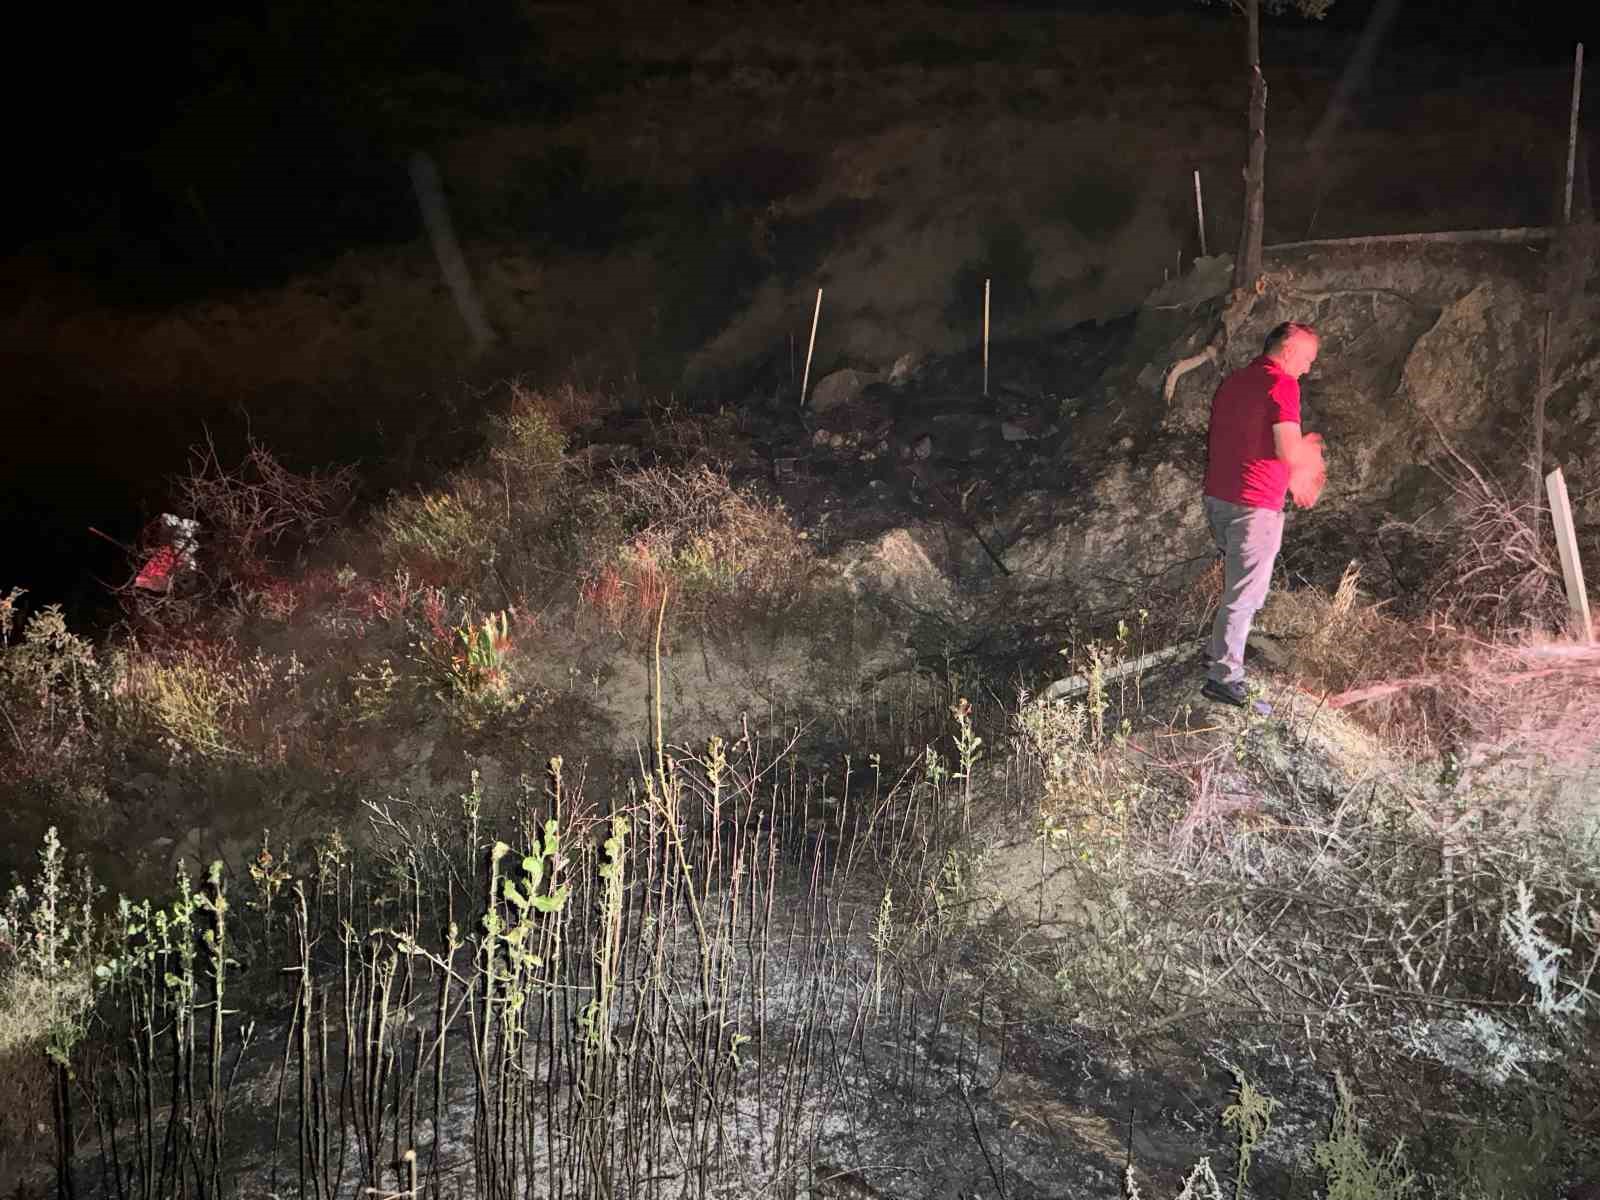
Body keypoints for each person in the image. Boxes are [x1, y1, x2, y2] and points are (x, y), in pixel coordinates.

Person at [1200, 321, 1325, 715]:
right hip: (1255, 506)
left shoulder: (1234, 381)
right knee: (1246, 595)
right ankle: (1224, 679)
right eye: (1306, 358)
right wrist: (1309, 460)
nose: (1307, 367)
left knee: (1238, 588)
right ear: (1288, 351)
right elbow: (1287, 448)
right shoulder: (1284, 385)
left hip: (1219, 499)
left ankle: (1216, 652)